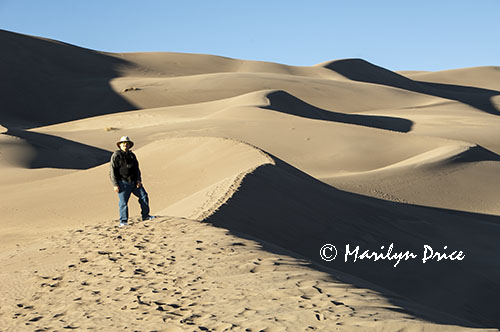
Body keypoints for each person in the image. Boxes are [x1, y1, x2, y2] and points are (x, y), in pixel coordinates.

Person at [110, 136, 154, 226]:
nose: (125, 145)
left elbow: (137, 169)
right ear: (120, 145)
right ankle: (123, 221)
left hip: (134, 182)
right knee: (123, 203)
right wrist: (115, 184)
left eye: (127, 143)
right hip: (122, 183)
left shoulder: (132, 155)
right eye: (123, 143)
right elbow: (112, 171)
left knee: (144, 196)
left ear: (129, 145)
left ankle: (145, 216)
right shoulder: (116, 155)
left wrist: (138, 180)